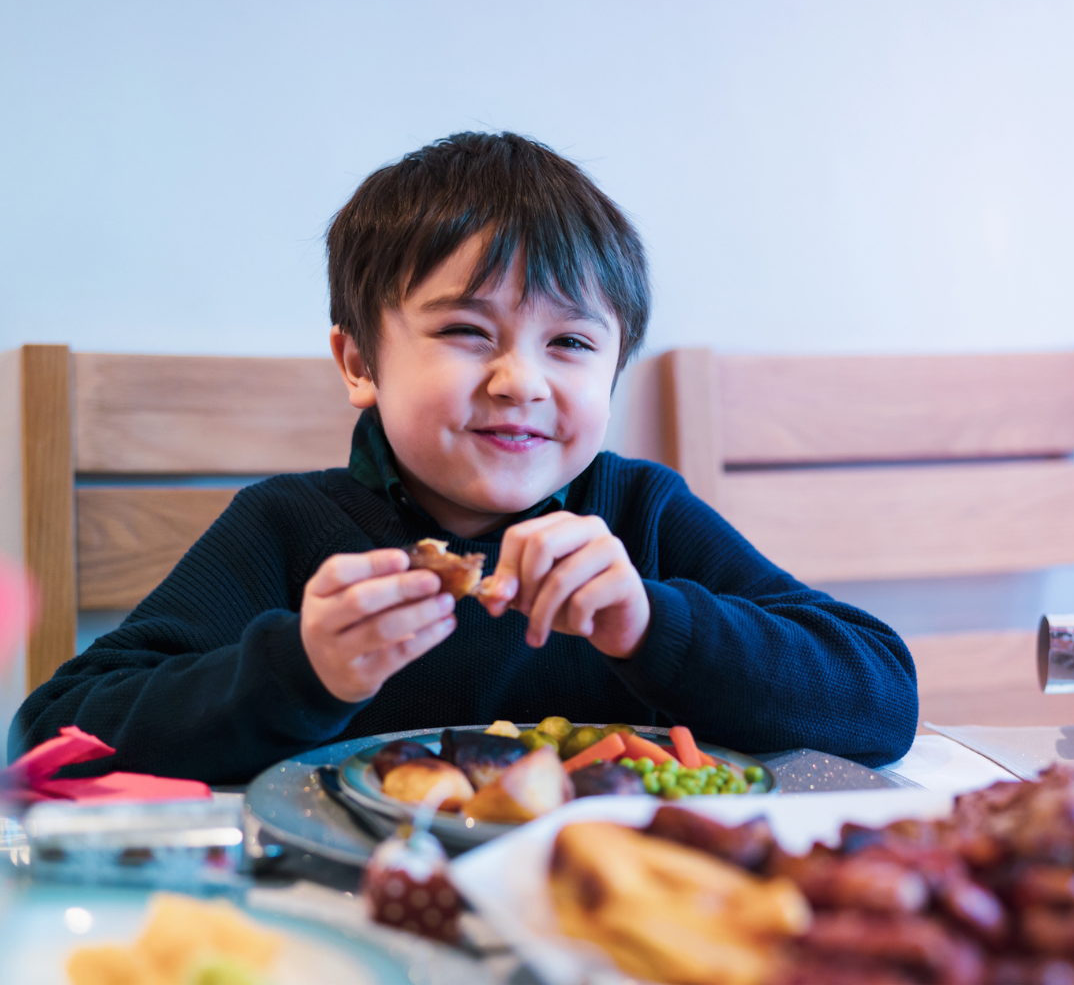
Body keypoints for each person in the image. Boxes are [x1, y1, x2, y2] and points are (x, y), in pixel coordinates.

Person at [9, 132, 917, 783]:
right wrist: (301, 670)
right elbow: (52, 735)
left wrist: (652, 623)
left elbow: (880, 698)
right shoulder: (289, 528)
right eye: (466, 331)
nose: (520, 379)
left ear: (615, 371)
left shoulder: (639, 517)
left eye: (570, 344)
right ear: (360, 363)